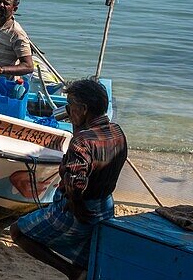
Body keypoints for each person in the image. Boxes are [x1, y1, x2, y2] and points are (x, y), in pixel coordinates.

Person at [11, 79, 127, 280]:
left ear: (82, 109)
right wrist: (77, 127)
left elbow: (75, 183)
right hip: (105, 206)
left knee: (18, 231)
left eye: (71, 105)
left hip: (79, 209)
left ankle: (72, 273)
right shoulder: (117, 132)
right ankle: (82, 271)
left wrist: (75, 204)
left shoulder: (82, 141)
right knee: (88, 256)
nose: (68, 110)